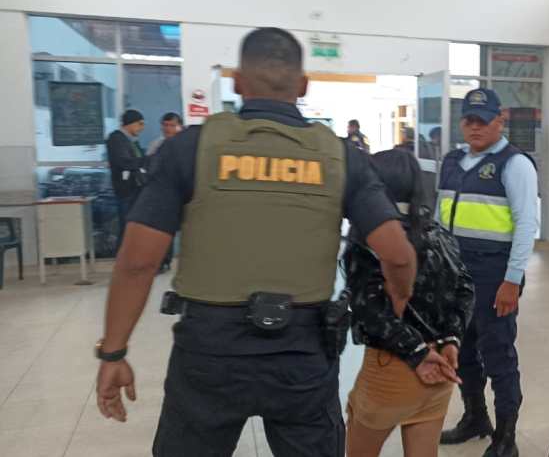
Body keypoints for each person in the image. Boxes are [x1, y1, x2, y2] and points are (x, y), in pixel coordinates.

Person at [92, 27, 417, 456]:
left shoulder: (190, 148)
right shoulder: (340, 157)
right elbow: (398, 255)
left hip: (208, 351)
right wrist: (398, 303)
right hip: (302, 352)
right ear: (303, 86)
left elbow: (137, 262)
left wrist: (113, 353)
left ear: (238, 83)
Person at [344, 147, 475, 457]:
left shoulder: (371, 242)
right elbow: (465, 289)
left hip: (392, 368)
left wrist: (416, 352)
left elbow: (371, 311)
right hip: (441, 368)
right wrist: (452, 339)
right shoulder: (440, 235)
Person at [437, 89, 538, 457]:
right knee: (461, 350)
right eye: (469, 120)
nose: (475, 127)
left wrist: (512, 279)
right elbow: (439, 217)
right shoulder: (452, 162)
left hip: (494, 276)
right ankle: (475, 417)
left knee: (498, 355)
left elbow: (527, 225)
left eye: (483, 120)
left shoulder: (515, 164)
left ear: (500, 120)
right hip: (454, 276)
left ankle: (506, 437)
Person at [146, 112, 184, 273]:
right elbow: (148, 167)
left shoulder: (185, 144)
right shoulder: (156, 145)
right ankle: (163, 260)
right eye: (165, 125)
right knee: (162, 228)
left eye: (172, 125)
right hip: (162, 193)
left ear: (180, 126)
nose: (168, 128)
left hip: (183, 192)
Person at [106, 109, 148, 250]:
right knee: (127, 227)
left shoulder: (132, 141)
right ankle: (123, 258)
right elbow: (125, 162)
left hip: (136, 189)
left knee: (134, 227)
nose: (142, 128)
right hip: (126, 191)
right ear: (130, 123)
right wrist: (148, 161)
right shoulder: (116, 139)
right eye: (140, 124)